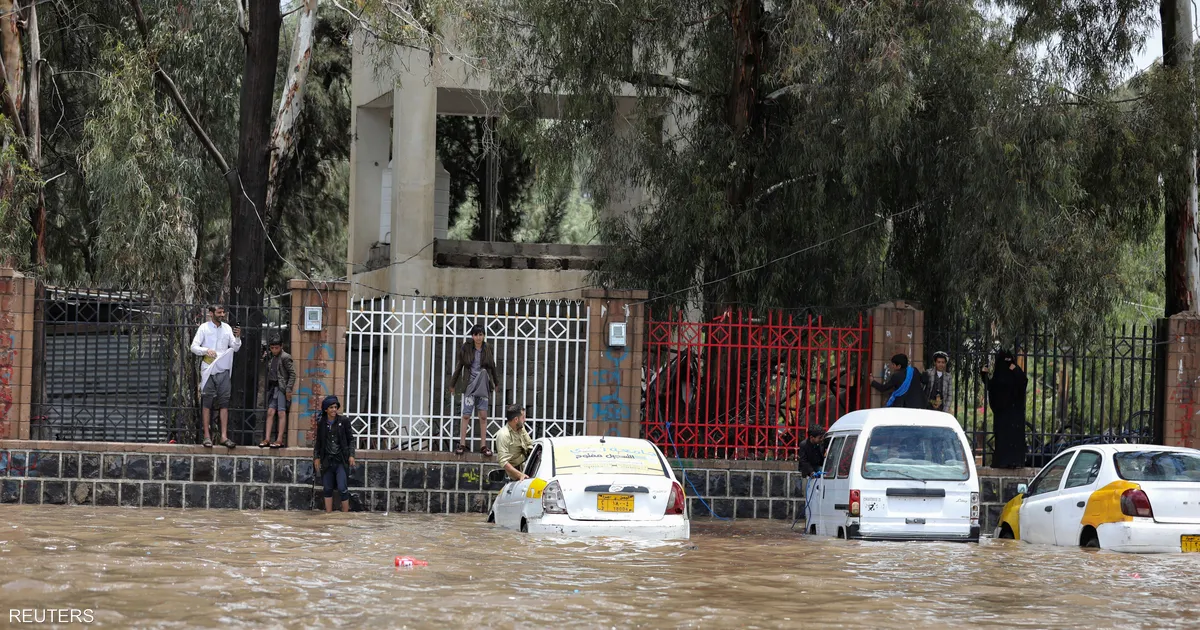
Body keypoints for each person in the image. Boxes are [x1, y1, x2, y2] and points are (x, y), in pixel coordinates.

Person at [190, 305, 242, 448]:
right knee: (207, 403)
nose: (222, 315)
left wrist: (237, 337)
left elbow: (235, 347)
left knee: (224, 403)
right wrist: (206, 350)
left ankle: (223, 437)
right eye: (219, 312)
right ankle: (207, 436)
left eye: (223, 312)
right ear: (211, 313)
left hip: (223, 370)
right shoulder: (204, 328)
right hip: (208, 370)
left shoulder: (227, 328)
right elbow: (193, 347)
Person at [448, 324, 499, 457]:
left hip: (483, 384)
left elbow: (492, 366)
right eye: (476, 334)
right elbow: (459, 366)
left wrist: (496, 382)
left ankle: (483, 445)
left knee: (483, 415)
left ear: (484, 336)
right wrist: (452, 384)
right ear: (472, 336)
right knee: (466, 415)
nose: (478, 337)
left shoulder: (487, 348)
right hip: (470, 385)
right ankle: (462, 444)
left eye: (480, 334)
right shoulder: (466, 348)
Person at [984, 350, 1028, 468]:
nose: (1007, 363)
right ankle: (1002, 462)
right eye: (1004, 361)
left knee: (1014, 440)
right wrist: (984, 374)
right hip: (1002, 415)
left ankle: (1015, 462)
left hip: (1015, 415)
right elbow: (990, 387)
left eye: (1009, 360)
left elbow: (1023, 381)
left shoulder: (1016, 375)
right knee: (1002, 440)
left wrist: (1015, 369)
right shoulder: (998, 377)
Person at [312, 396, 357, 513]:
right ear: (326, 409)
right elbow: (318, 442)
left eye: (335, 407)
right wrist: (316, 457)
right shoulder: (321, 423)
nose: (334, 410)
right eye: (331, 407)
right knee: (327, 489)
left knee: (342, 488)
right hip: (327, 460)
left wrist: (351, 455)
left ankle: (345, 515)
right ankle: (329, 515)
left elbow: (351, 440)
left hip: (340, 460)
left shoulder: (344, 421)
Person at [260, 337, 295, 449]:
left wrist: (288, 389)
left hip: (281, 388)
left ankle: (280, 439)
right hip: (273, 387)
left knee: (281, 412)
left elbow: (292, 374)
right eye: (272, 348)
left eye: (276, 348)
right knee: (270, 412)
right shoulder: (271, 356)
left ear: (281, 346)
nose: (274, 350)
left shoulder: (285, 357)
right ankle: (267, 439)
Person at [495, 404, 532, 481]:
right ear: (516, 419)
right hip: (514, 477)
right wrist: (520, 475)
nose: (525, 420)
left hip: (527, 469)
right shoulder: (503, 435)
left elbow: (529, 445)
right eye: (523, 417)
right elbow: (504, 462)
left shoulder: (521, 428)